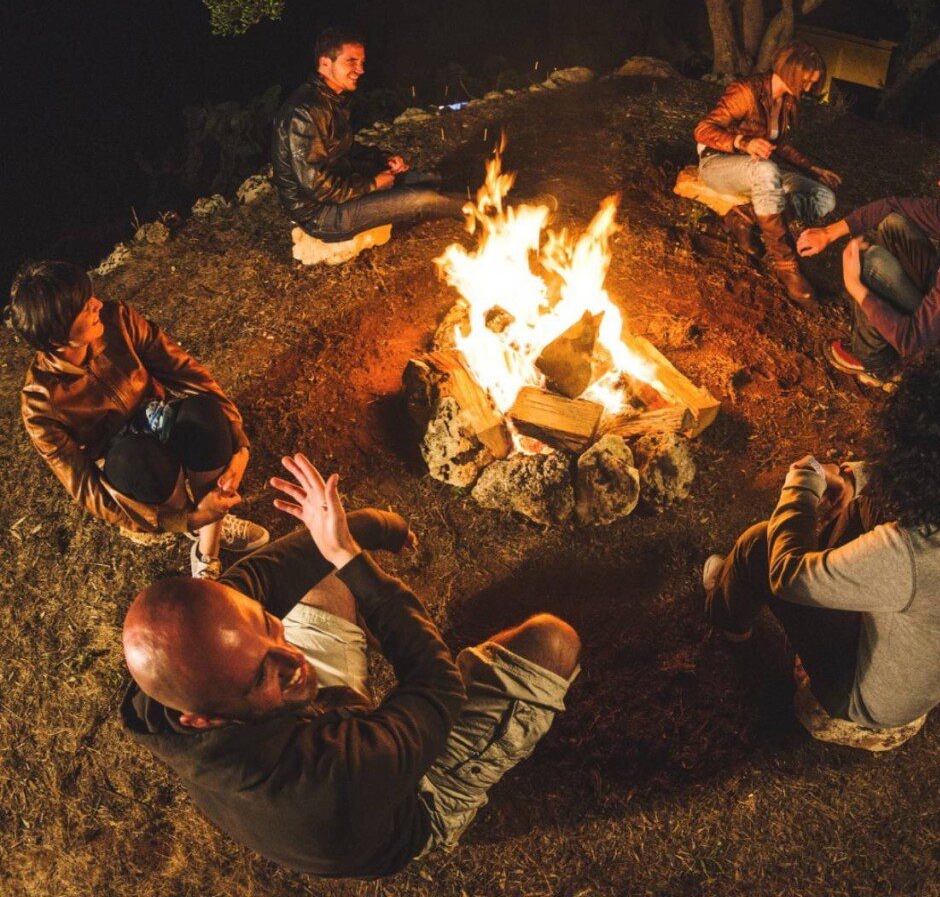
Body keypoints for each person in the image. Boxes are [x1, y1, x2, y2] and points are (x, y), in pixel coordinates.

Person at [121, 452, 581, 879]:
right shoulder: (333, 776)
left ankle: (313, 642)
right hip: (409, 802)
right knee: (553, 642)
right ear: (203, 719)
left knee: (320, 577)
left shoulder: (173, 684)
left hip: (305, 734)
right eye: (262, 674)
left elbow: (265, 576)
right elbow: (437, 688)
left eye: (268, 623)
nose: (295, 659)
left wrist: (371, 527)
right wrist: (349, 557)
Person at [703, 349, 940, 741]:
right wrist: (855, 478)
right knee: (868, 504)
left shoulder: (911, 552)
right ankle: (815, 573)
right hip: (914, 670)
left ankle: (727, 617)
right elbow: (930, 479)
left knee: (760, 545)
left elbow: (787, 576)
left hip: (865, 700)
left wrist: (802, 483)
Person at [13, 261, 267, 578]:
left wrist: (240, 447)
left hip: (157, 417)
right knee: (138, 456)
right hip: (126, 459)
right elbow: (88, 491)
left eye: (90, 296)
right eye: (84, 307)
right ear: (56, 339)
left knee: (204, 413)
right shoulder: (40, 401)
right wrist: (184, 520)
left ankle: (208, 546)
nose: (98, 305)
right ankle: (196, 521)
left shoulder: (117, 319)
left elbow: (190, 375)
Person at [796, 147, 940, 386]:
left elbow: (915, 338)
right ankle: (882, 337)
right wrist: (829, 233)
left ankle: (876, 364)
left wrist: (855, 286)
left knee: (870, 264)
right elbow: (892, 206)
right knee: (893, 224)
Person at [271, 27, 466, 244]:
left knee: (428, 178)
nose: (360, 70)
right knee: (422, 199)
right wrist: (372, 184)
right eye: (351, 61)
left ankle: (471, 193)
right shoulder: (305, 111)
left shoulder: (332, 99)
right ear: (325, 63)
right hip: (321, 214)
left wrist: (383, 159)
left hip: (342, 182)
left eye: (361, 63)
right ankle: (482, 211)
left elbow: (344, 147)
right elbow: (317, 187)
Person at [692, 39, 842, 311]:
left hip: (758, 170)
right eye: (806, 81)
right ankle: (785, 264)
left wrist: (812, 168)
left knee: (824, 197)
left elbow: (779, 145)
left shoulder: (788, 103)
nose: (808, 89)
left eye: (812, 83)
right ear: (790, 72)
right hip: (718, 164)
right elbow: (703, 130)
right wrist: (742, 142)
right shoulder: (746, 91)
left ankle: (743, 217)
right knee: (767, 169)